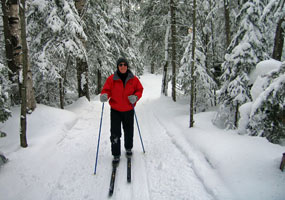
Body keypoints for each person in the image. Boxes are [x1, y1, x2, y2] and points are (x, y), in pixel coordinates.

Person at [100, 57, 143, 165]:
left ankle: (128, 148)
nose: (123, 66)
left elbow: (139, 89)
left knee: (129, 131)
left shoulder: (134, 79)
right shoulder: (111, 79)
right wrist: (104, 95)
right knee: (115, 133)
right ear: (117, 66)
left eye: (124, 64)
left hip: (129, 109)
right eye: (120, 65)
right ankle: (116, 154)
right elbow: (106, 90)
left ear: (127, 66)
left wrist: (136, 97)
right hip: (115, 110)